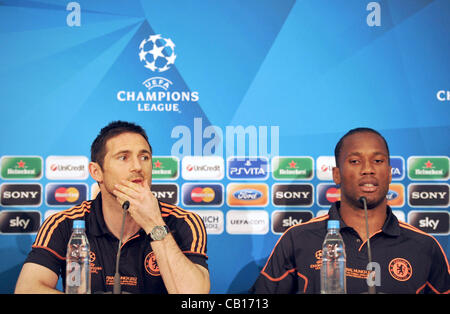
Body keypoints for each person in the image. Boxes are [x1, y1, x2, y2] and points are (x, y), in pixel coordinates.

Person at [15, 121, 210, 294]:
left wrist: (154, 224)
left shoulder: (184, 222)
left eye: (144, 157)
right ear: (96, 171)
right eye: (123, 157)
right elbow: (27, 289)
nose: (138, 167)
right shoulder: (65, 223)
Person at [251, 127, 450, 294]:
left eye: (378, 161)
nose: (368, 169)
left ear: (389, 174)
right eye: (355, 161)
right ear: (336, 175)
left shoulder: (425, 247)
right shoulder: (298, 239)